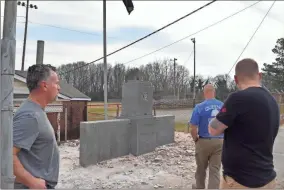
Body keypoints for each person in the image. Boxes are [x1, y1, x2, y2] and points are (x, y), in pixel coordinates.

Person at [209, 58, 279, 189]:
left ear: (235, 79)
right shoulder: (272, 101)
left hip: (241, 181)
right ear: (259, 75)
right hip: (267, 179)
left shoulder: (237, 99)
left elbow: (213, 130)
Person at [13, 64, 61, 189]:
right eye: (56, 83)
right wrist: (32, 182)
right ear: (45, 85)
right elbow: (6, 155)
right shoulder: (30, 115)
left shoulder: (36, 111)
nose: (59, 88)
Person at [189, 84, 224, 189]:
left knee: (201, 168)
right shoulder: (223, 106)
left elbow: (193, 127)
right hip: (219, 141)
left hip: (203, 141)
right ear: (214, 92)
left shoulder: (199, 107)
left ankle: (199, 187)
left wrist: (195, 139)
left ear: (204, 93)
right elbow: (229, 124)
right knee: (215, 170)